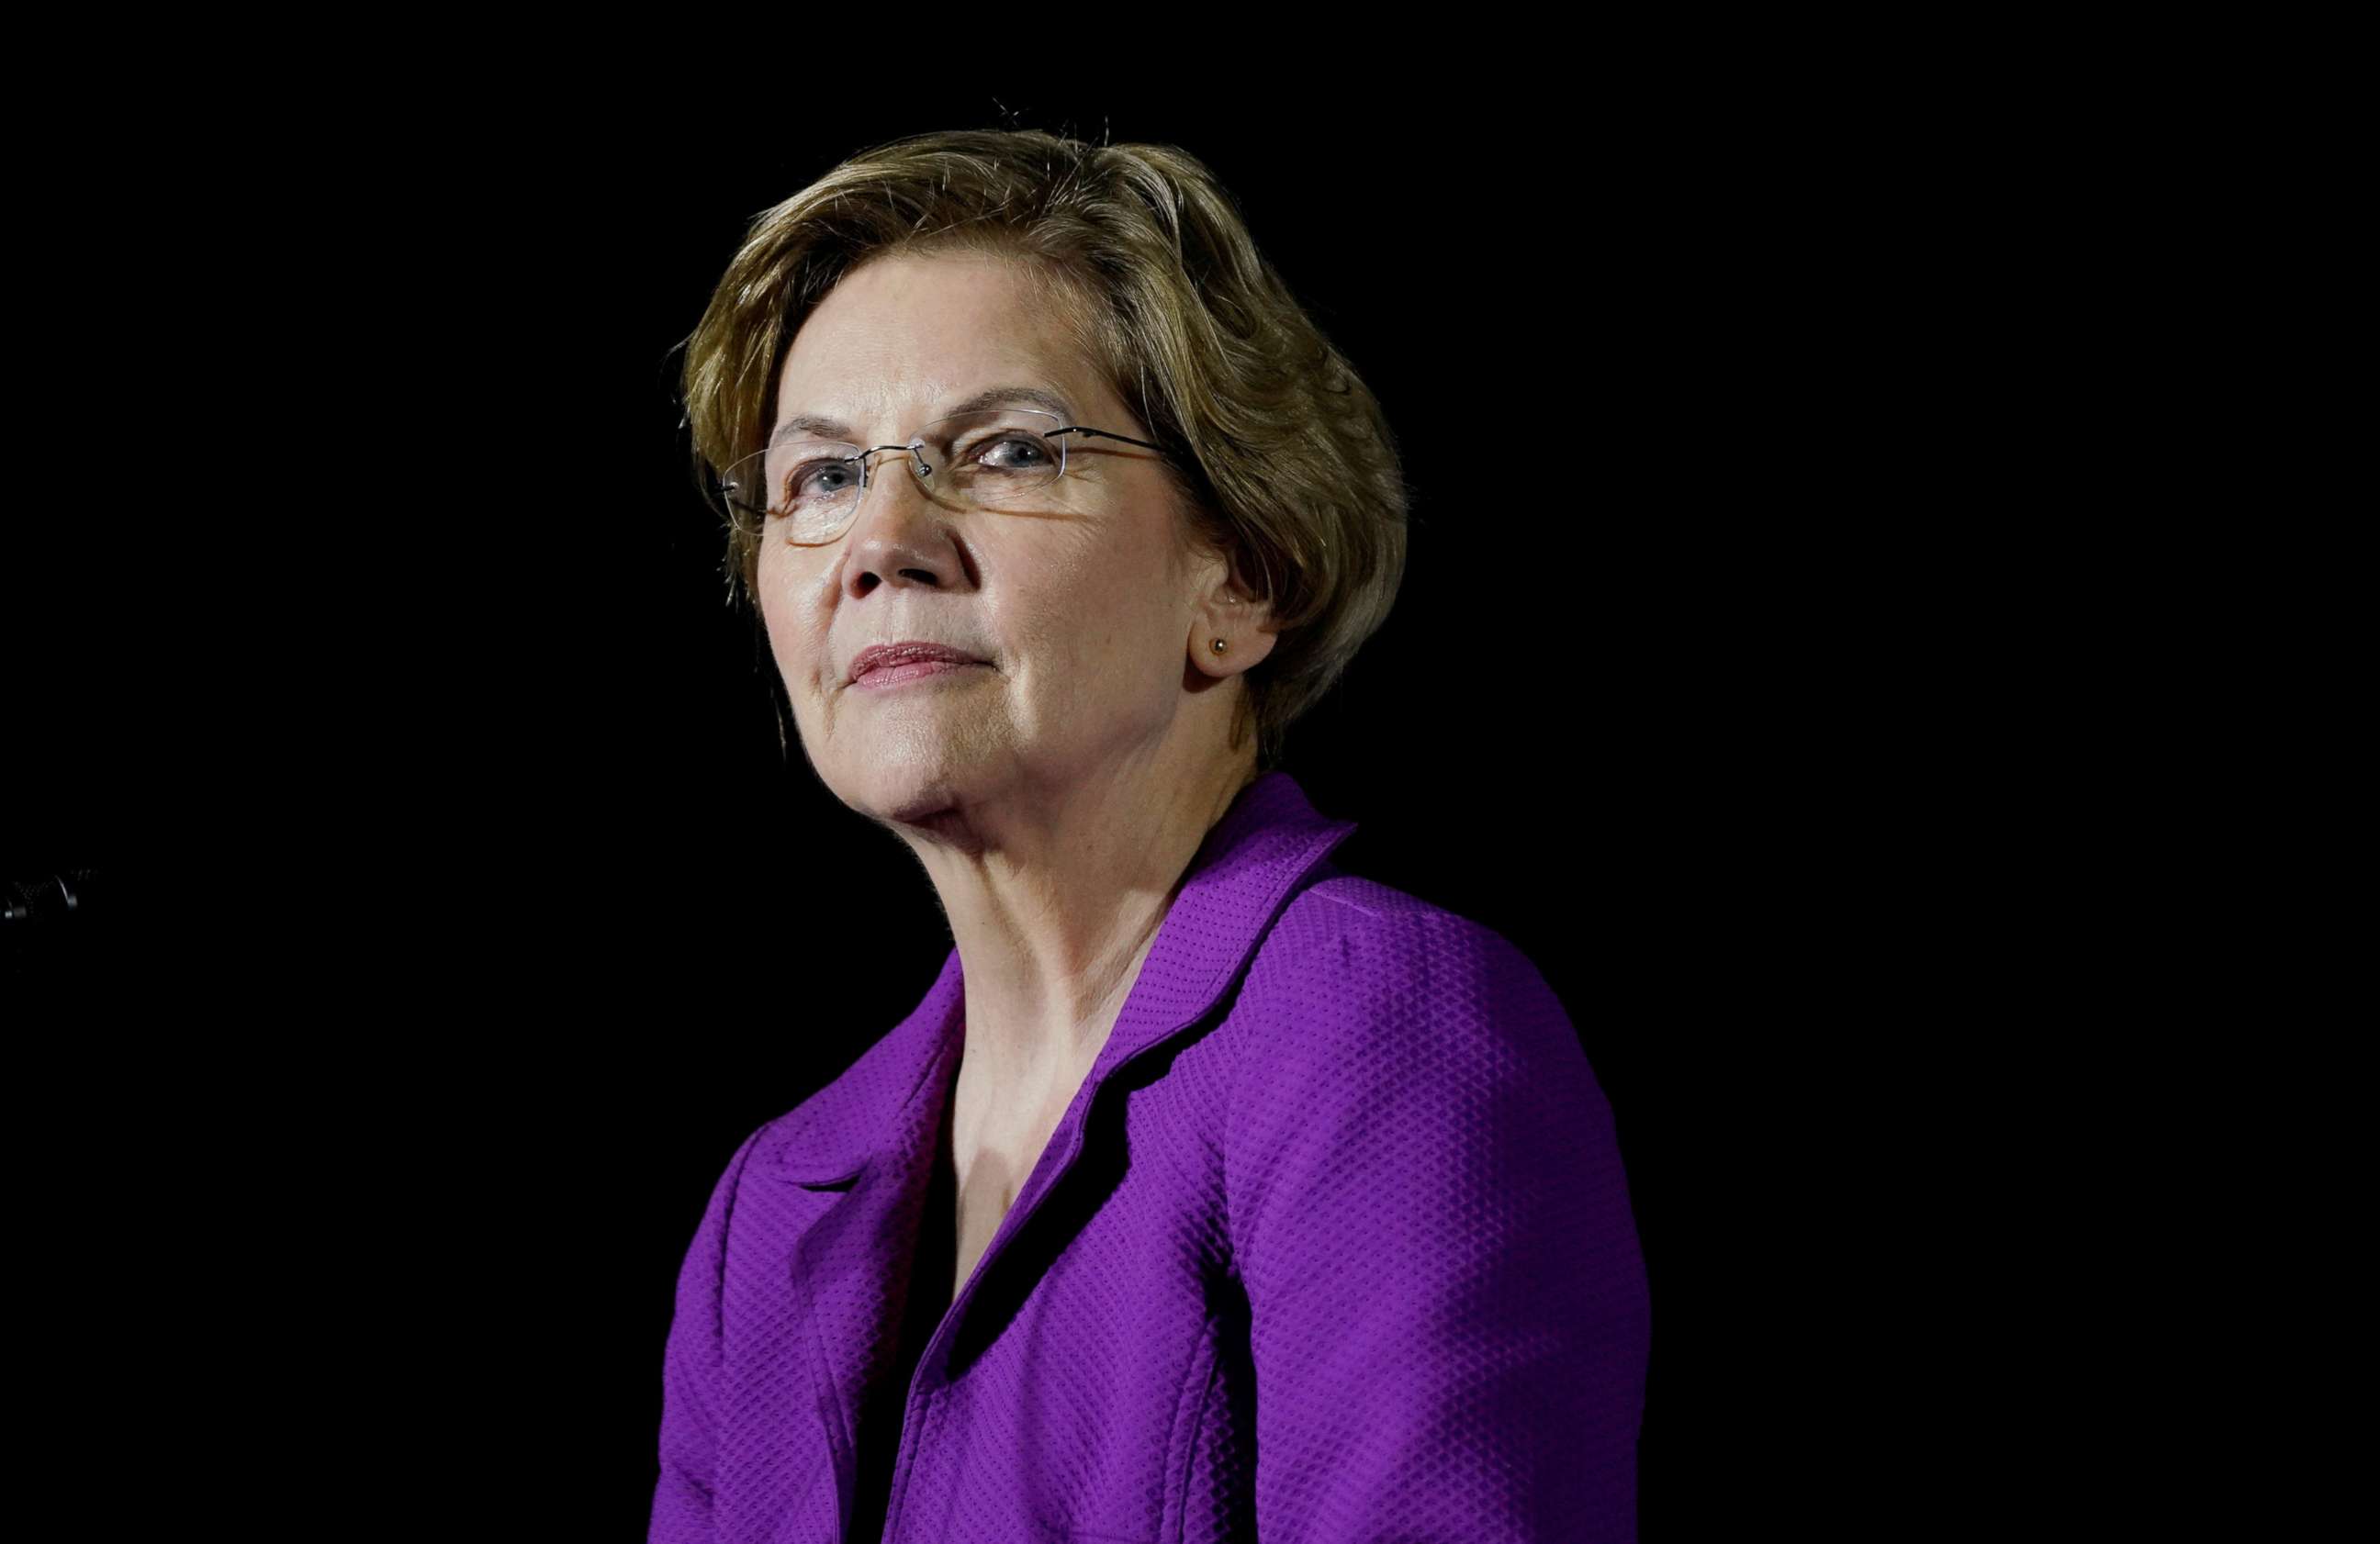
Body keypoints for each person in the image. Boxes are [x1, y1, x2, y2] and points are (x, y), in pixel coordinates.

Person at [650, 127, 1650, 1544]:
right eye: (817, 479)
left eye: (1002, 449)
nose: (881, 537)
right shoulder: (773, 1207)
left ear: (1242, 577)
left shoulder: (1375, 1039)